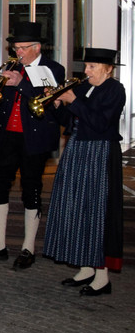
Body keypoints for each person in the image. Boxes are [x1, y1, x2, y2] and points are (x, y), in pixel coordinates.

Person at [0, 22, 64, 269]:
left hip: (35, 138)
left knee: (31, 188)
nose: (18, 52)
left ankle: (28, 248)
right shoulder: (12, 66)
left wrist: (21, 83)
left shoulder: (53, 69)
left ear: (37, 47)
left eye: (22, 48)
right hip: (7, 136)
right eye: (16, 48)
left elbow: (50, 104)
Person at [42, 48, 124, 296]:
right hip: (77, 149)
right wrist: (56, 103)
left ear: (108, 69)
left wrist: (73, 100)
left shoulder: (115, 90)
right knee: (76, 207)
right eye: (86, 66)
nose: (86, 71)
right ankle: (86, 267)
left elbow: (100, 122)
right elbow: (68, 120)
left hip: (99, 152)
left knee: (96, 210)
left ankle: (102, 277)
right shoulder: (84, 88)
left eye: (92, 67)